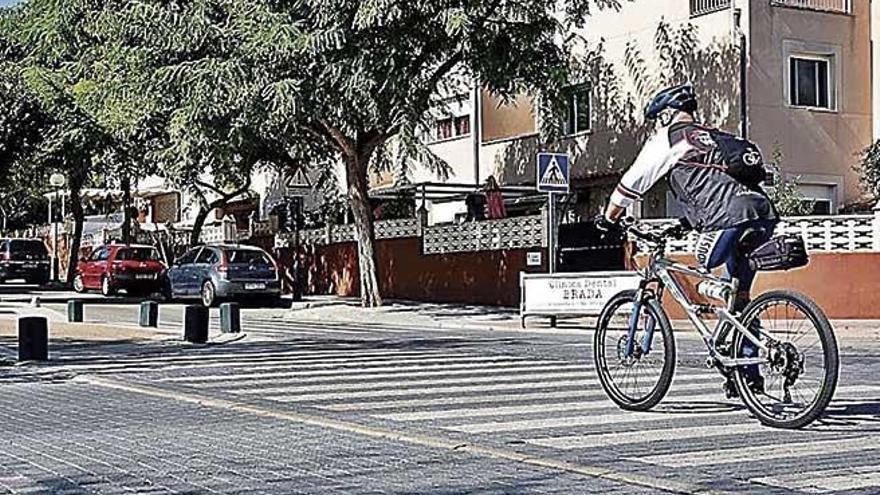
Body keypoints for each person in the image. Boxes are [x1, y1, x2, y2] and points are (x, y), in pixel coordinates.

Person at [596, 83, 779, 398]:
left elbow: (633, 182)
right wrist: (685, 222)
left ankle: (725, 339)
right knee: (741, 297)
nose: (658, 123)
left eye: (658, 118)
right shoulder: (716, 136)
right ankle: (748, 374)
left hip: (728, 218)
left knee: (705, 262)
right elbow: (719, 183)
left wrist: (609, 217)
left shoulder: (669, 138)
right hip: (762, 213)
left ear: (666, 114)